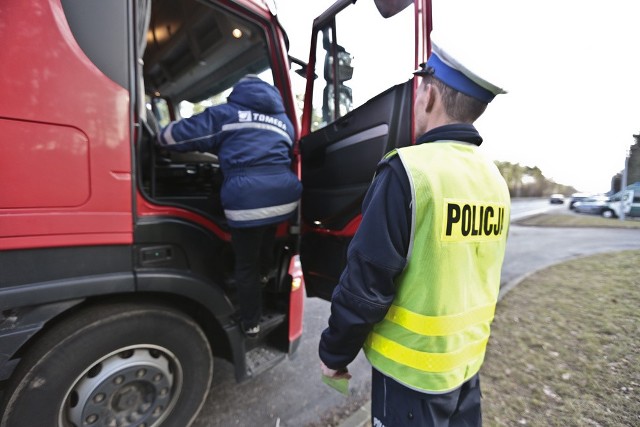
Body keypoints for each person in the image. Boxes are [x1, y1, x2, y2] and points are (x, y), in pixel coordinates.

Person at [318, 43, 510, 426]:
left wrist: (333, 354)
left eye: (420, 85)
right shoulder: (494, 181)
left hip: (410, 379)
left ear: (430, 94)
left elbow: (365, 286)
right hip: (465, 369)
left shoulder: (408, 171)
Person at [157, 75, 302, 337]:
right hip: (285, 196)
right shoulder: (284, 122)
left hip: (248, 199)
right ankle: (264, 275)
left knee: (244, 263)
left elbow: (170, 139)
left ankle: (251, 322)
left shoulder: (227, 114)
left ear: (239, 92)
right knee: (266, 237)